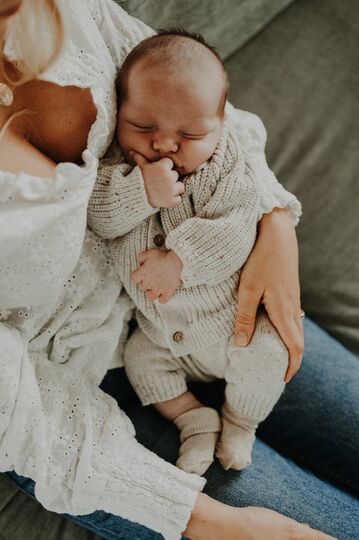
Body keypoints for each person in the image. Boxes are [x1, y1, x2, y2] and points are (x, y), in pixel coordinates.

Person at [0, 1, 359, 539]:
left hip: (223, 301)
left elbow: (204, 105)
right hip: (83, 396)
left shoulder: (51, 9)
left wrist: (276, 220)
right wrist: (212, 522)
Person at [88, 29, 290, 476]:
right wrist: (140, 191)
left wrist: (181, 260)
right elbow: (99, 217)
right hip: (163, 338)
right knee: (140, 360)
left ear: (220, 129)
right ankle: (192, 418)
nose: (163, 145)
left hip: (234, 329)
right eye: (142, 127)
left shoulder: (224, 168)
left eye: (190, 134)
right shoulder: (115, 168)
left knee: (270, 353)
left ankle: (240, 420)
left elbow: (236, 229)